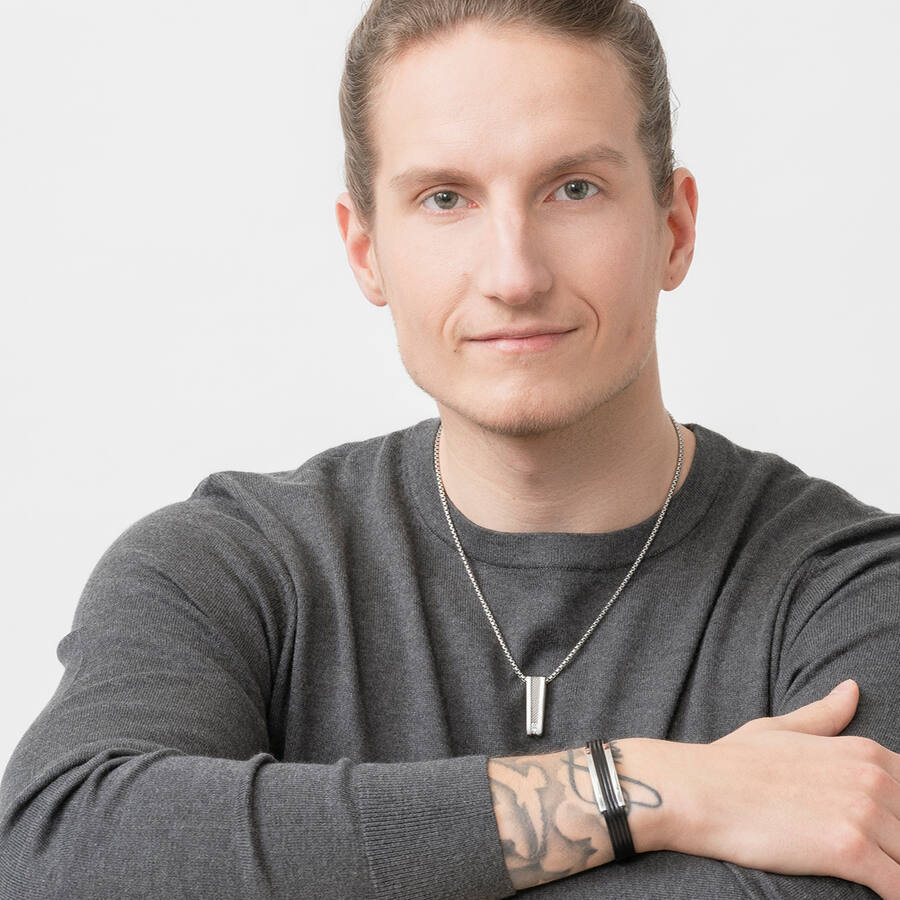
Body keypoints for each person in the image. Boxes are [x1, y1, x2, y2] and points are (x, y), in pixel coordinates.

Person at [1, 0, 899, 897]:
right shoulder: (231, 566)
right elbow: (59, 851)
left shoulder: (854, 589)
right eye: (445, 199)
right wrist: (645, 791)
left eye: (573, 189)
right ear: (366, 251)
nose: (514, 275)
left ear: (675, 228)